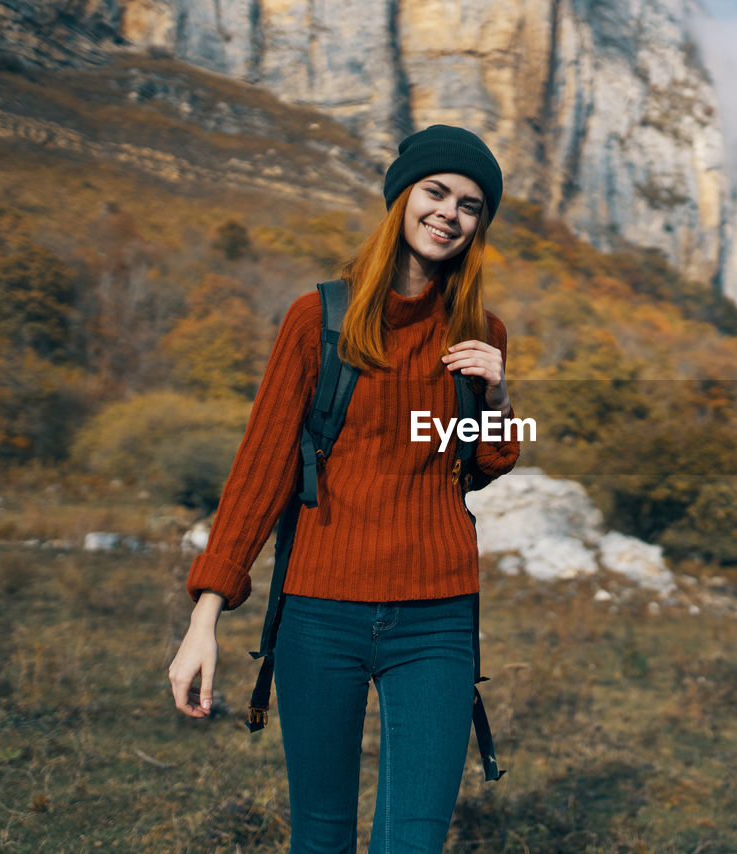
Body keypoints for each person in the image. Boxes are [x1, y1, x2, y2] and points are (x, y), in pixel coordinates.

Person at [167, 124, 521, 853]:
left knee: (414, 842)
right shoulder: (317, 320)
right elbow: (258, 474)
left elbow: (480, 465)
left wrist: (501, 399)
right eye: (436, 192)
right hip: (319, 615)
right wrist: (205, 617)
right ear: (402, 198)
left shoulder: (482, 334)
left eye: (471, 204)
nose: (450, 214)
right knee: (322, 836)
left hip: (437, 621)